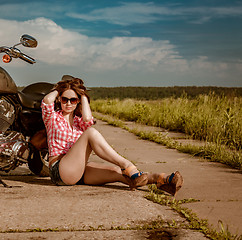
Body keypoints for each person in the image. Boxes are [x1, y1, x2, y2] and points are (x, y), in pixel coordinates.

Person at [41, 75, 183, 196]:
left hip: (79, 170)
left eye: (73, 100)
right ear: (59, 99)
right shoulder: (53, 118)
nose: (69, 103)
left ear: (77, 101)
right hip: (60, 170)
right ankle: (127, 164)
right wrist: (60, 89)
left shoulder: (79, 122)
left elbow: (87, 118)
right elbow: (47, 101)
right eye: (65, 99)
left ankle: (161, 180)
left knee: (118, 172)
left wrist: (82, 95)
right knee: (91, 133)